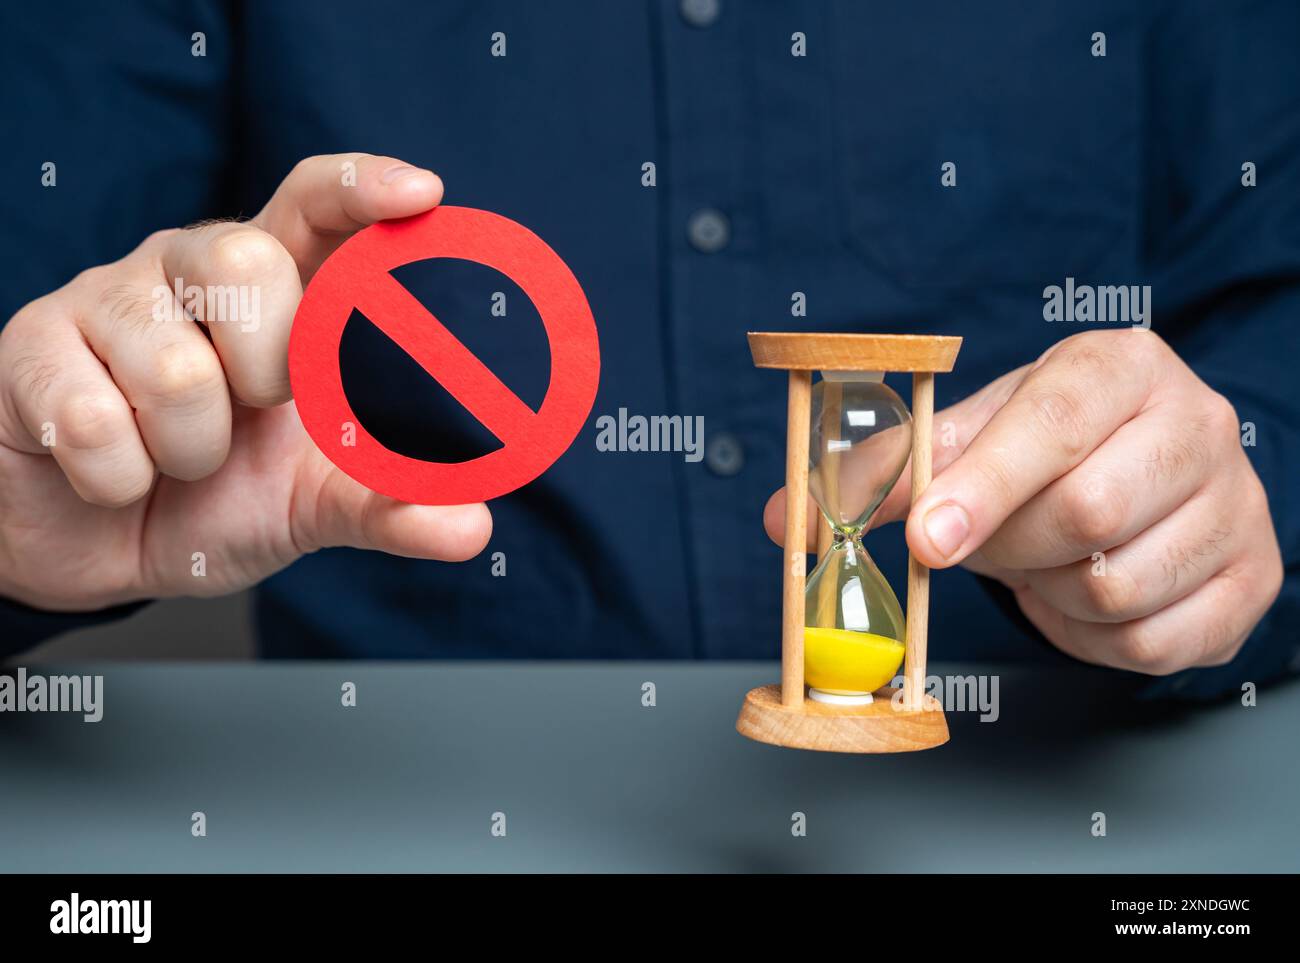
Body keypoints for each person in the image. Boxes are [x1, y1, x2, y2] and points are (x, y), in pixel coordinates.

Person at [1, 1, 1295, 699]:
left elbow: (1275, 324)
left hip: (1067, 803)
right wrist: (28, 493)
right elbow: (51, 340)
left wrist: (1241, 497)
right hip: (423, 830)